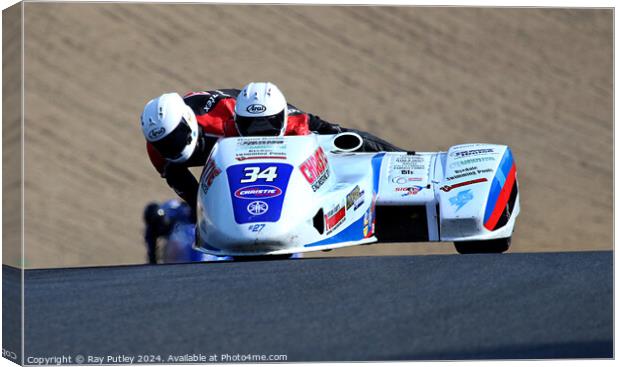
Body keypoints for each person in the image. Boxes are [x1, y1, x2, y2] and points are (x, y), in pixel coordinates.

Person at [140, 82, 403, 218]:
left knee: (331, 132)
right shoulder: (157, 150)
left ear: (188, 124)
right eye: (165, 143)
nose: (171, 147)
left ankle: (400, 156)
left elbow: (306, 130)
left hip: (244, 111)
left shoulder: (227, 120)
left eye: (175, 138)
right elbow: (193, 196)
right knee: (200, 207)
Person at [142, 199, 194, 264]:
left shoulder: (177, 212)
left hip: (187, 230)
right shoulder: (151, 230)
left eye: (160, 220)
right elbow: (151, 251)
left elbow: (192, 216)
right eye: (156, 224)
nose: (160, 225)